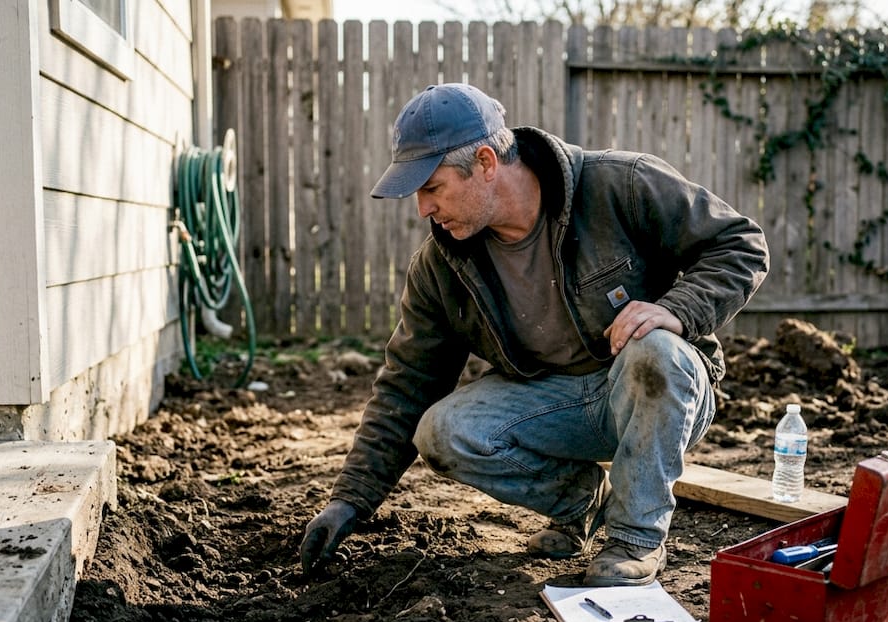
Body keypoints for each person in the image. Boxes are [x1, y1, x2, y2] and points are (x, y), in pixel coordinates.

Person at [300, 83, 768, 587]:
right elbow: (408, 382)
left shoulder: (619, 184)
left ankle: (635, 539)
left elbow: (740, 244)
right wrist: (350, 500)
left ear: (484, 162)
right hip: (559, 405)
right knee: (443, 430)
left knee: (654, 350)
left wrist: (677, 310)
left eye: (431, 187)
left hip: (657, 394)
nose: (422, 209)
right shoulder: (442, 265)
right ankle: (588, 504)